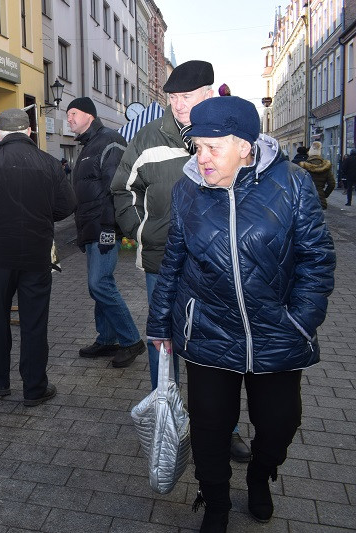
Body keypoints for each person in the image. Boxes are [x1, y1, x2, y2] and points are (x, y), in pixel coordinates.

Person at [147, 96, 335, 532]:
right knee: (210, 429)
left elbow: (317, 258)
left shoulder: (292, 183)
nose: (202, 157)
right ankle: (215, 501)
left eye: (213, 147)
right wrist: (160, 325)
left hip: (277, 331)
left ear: (245, 147)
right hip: (208, 332)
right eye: (198, 147)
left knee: (280, 424)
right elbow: (173, 261)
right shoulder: (187, 189)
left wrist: (300, 319)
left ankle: (260, 475)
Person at [111, 60, 250, 461]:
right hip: (162, 263)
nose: (177, 104)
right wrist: (143, 232)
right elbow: (123, 188)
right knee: (163, 342)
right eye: (172, 97)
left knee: (220, 345)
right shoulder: (148, 137)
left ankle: (226, 428)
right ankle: (167, 424)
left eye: (186, 96)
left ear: (208, 93)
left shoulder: (231, 132)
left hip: (219, 264)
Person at [0, 108, 76, 407]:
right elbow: (68, 204)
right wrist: (43, 216)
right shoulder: (49, 163)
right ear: (29, 131)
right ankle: (34, 388)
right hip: (36, 255)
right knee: (35, 323)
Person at [66, 97, 145, 367]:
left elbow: (116, 188)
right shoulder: (90, 144)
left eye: (73, 113)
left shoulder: (109, 141)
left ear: (89, 115)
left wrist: (108, 229)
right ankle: (107, 339)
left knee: (100, 284)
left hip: (104, 227)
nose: (69, 119)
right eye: (68, 115)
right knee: (99, 285)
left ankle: (131, 340)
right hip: (92, 226)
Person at [298, 141, 336, 209]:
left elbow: (296, 183)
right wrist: (324, 194)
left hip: (305, 199)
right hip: (320, 199)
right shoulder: (325, 167)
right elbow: (332, 184)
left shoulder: (303, 167)